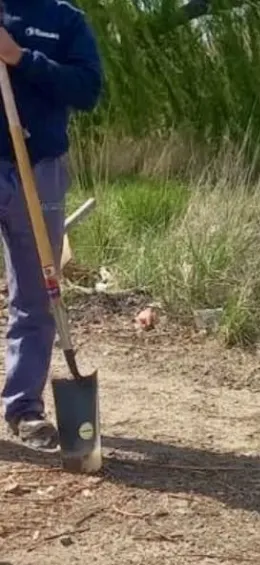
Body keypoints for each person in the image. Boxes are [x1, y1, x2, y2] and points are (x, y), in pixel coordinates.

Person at [0, 0, 103, 451]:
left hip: (39, 168)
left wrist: (19, 57)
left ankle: (24, 408)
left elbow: (86, 90)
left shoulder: (64, 19)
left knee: (37, 295)